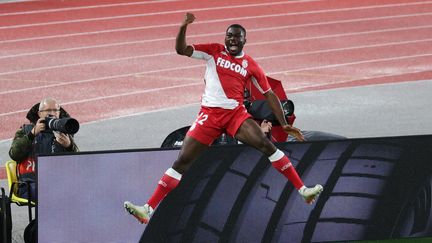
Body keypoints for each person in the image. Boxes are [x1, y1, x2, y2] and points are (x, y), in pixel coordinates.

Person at [124, 13, 323, 224]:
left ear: (245, 40)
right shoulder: (213, 51)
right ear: (225, 38)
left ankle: (303, 190)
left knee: (267, 146)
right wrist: (183, 26)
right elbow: (181, 50)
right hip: (209, 115)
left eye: (238, 36)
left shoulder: (250, 64)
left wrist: (283, 123)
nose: (233, 40)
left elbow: (269, 94)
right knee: (182, 161)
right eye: (230, 36)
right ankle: (148, 209)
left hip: (235, 115)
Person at [9, 97, 79, 201]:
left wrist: (69, 146)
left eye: (55, 110)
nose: (52, 113)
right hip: (30, 183)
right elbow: (14, 154)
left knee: (77, 189)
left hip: (57, 181)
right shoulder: (26, 130)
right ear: (39, 114)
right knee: (50, 193)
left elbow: (78, 162)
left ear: (59, 113)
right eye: (48, 110)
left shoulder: (64, 132)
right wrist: (32, 135)